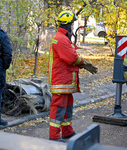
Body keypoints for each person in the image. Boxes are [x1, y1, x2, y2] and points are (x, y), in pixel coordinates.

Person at [48, 10, 87, 142]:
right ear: (67, 25)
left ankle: (67, 132)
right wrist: (83, 61)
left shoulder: (63, 38)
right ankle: (53, 136)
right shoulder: (61, 39)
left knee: (67, 108)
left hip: (65, 81)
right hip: (61, 81)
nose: (73, 26)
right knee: (58, 109)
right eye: (72, 24)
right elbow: (71, 58)